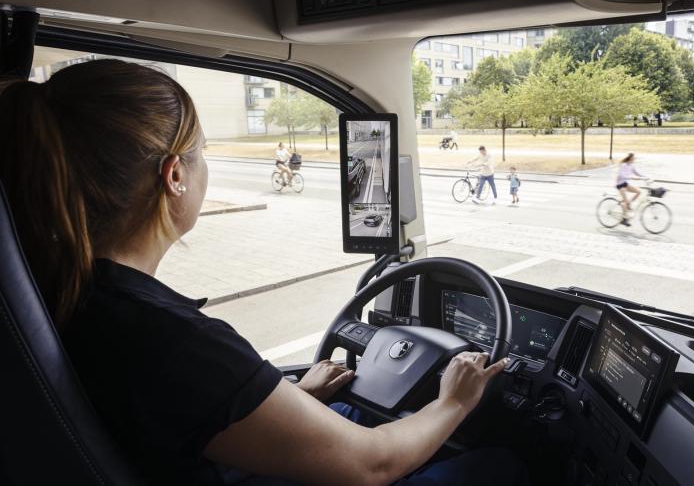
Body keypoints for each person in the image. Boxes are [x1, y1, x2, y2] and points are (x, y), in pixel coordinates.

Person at [0, 60, 525, 486]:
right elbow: (372, 465)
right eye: (201, 153)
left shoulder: (61, 292)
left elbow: (181, 411)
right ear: (175, 175)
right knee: (499, 465)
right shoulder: (171, 339)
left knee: (356, 416)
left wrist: (294, 396)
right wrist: (455, 400)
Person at [615, 153, 648, 227]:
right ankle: (624, 219)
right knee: (625, 202)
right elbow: (622, 175)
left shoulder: (631, 165)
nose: (634, 159)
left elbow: (637, 173)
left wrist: (645, 177)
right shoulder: (623, 165)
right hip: (620, 185)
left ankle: (628, 204)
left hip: (625, 184)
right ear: (630, 158)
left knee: (638, 192)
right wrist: (632, 177)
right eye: (633, 158)